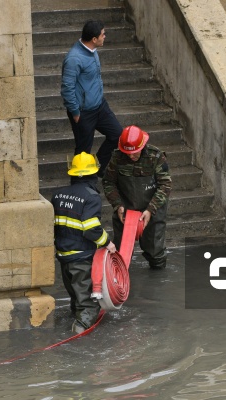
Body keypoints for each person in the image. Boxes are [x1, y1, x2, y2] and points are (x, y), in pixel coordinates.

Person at [51, 152, 117, 333]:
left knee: (75, 296)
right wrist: (107, 243)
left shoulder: (58, 195)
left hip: (63, 255)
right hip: (81, 257)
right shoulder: (91, 197)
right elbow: (91, 229)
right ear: (93, 174)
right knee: (87, 303)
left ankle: (74, 320)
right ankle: (81, 333)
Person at [102, 125, 172, 269]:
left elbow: (165, 185)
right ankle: (119, 282)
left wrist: (150, 210)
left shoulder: (156, 156)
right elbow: (108, 182)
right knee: (121, 252)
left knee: (155, 252)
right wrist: (118, 205)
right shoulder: (117, 157)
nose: (131, 156)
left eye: (135, 153)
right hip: (126, 210)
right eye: (127, 153)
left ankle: (156, 280)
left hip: (152, 208)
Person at [61, 19, 123, 175]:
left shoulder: (92, 50)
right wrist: (75, 112)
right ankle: (80, 186)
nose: (105, 37)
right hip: (83, 112)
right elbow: (67, 88)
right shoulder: (74, 59)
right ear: (94, 39)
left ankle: (97, 169)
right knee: (83, 152)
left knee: (118, 136)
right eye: (103, 34)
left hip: (100, 106)